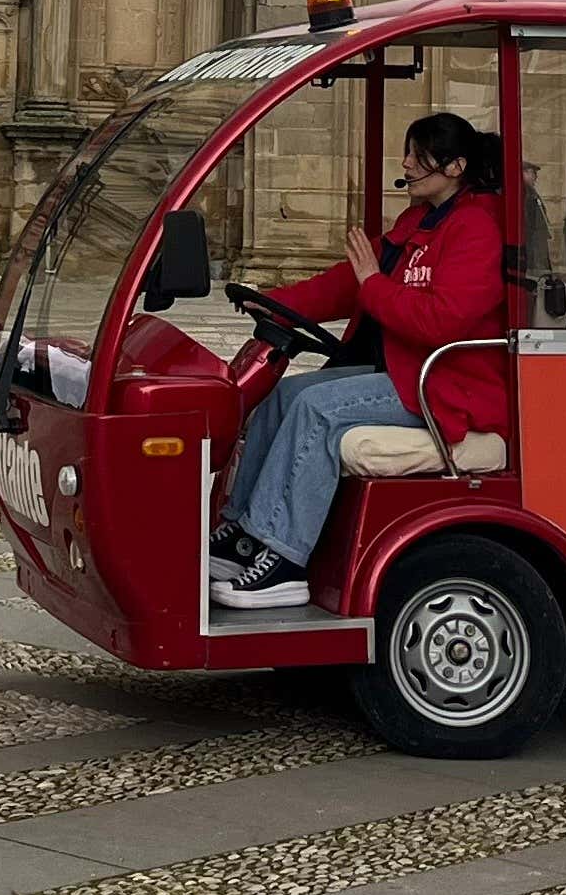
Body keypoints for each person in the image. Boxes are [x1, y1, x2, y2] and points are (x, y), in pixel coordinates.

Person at [210, 113, 511, 610]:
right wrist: (272, 302)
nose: (406, 163)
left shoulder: (476, 229)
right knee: (285, 394)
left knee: (317, 410)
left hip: (447, 384)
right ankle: (243, 532)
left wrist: (374, 284)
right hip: (405, 371)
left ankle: (283, 559)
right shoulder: (418, 223)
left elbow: (440, 321)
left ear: (455, 167)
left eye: (418, 155)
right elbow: (346, 284)